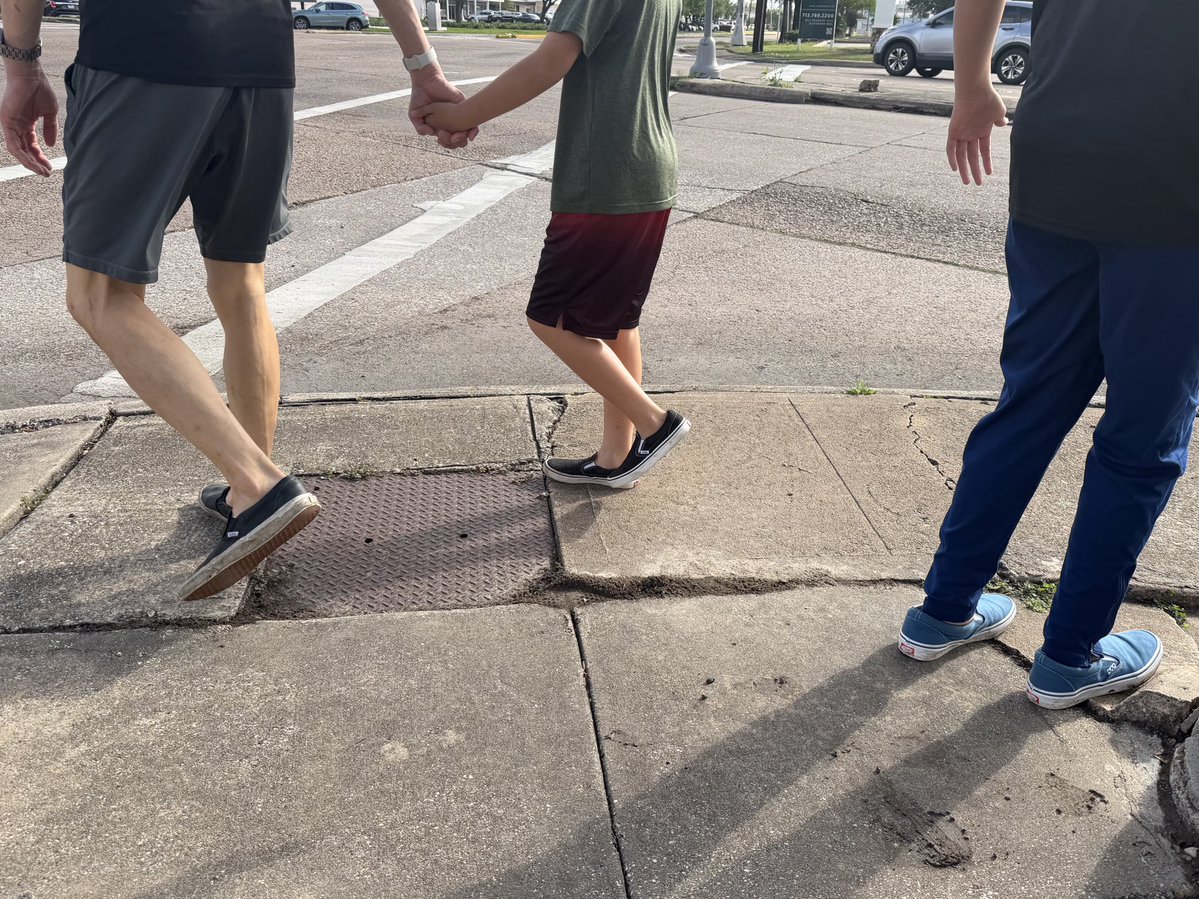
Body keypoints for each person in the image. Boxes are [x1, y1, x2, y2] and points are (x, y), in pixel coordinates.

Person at [0, 0, 473, 600]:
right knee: (241, 284)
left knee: (99, 294)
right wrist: (422, 64)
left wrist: (21, 68)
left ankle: (258, 485)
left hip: (143, 49)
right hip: (263, 63)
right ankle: (249, 499)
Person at [897, 0, 1197, 709]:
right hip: (1175, 177)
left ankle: (943, 608)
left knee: (1028, 403)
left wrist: (969, 82)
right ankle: (1068, 655)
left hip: (1057, 148)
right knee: (1140, 437)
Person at [414, 0, 691, 490]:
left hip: (603, 176)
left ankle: (655, 423)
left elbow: (551, 60)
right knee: (615, 321)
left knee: (551, 317)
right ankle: (615, 458)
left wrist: (462, 114)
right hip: (648, 167)